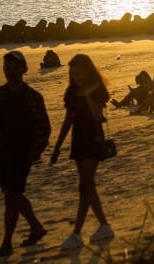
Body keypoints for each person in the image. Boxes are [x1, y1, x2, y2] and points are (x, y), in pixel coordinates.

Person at [0, 50, 50, 257]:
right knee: (12, 194)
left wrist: (37, 149)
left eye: (15, 68)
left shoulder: (33, 97)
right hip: (3, 151)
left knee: (11, 195)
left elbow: (44, 127)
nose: (10, 72)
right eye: (7, 68)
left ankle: (7, 242)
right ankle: (35, 227)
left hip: (23, 153)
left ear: (24, 70)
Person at [50, 54, 115, 250]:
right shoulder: (71, 91)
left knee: (84, 186)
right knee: (89, 187)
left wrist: (87, 95)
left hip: (93, 139)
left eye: (78, 72)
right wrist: (57, 147)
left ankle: (76, 233)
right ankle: (104, 226)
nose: (75, 76)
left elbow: (97, 116)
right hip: (78, 140)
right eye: (72, 73)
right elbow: (68, 120)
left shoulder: (97, 90)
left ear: (87, 71)